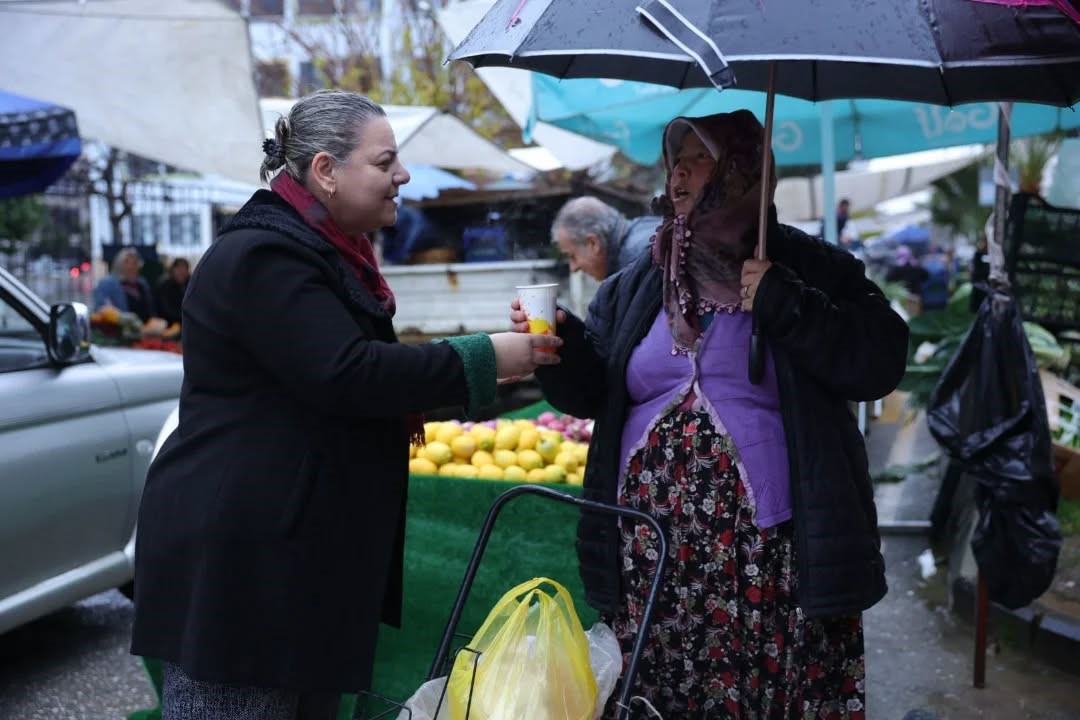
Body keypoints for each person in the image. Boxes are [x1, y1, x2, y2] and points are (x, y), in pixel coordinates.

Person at [130, 90, 560, 720]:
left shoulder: (325, 252)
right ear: (326, 170)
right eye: (385, 162)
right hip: (243, 559)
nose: (403, 176)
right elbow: (348, 372)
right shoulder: (263, 255)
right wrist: (485, 356)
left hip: (291, 548)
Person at [512, 110, 908, 718]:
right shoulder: (639, 279)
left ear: (743, 170)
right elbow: (595, 395)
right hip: (653, 547)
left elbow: (878, 362)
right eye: (678, 161)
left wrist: (784, 299)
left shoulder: (812, 268)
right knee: (662, 692)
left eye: (703, 160)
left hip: (768, 553)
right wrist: (558, 344)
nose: (681, 175)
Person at [551, 196, 660, 280]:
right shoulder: (646, 227)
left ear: (593, 243)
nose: (573, 268)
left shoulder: (637, 263)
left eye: (572, 256)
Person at [93, 247, 156, 322]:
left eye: (135, 262)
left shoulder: (142, 284)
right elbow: (101, 309)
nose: (131, 266)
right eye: (127, 262)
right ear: (119, 263)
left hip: (145, 327)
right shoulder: (108, 284)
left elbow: (150, 309)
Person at [155, 257, 190, 326]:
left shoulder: (190, 285)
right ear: (173, 270)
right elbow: (165, 311)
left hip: (186, 322)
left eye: (184, 268)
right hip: (167, 323)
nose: (181, 272)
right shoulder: (164, 286)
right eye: (178, 268)